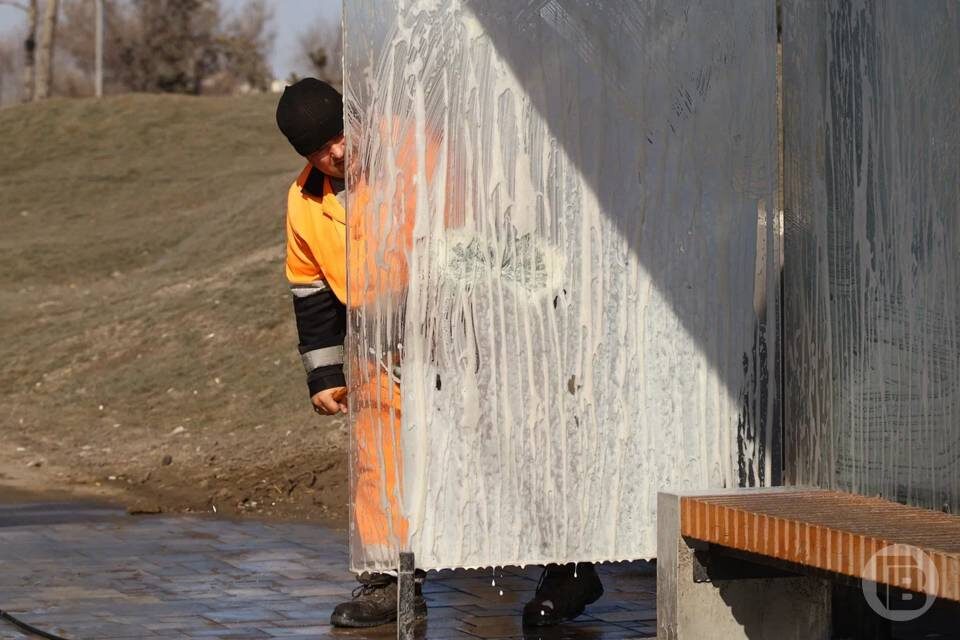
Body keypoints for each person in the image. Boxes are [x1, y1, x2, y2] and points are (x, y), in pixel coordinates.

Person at [275, 77, 604, 630]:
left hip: (467, 328)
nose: (335, 153)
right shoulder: (303, 202)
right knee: (379, 460)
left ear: (354, 120)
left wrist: (440, 315)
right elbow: (309, 290)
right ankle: (387, 580)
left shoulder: (417, 149)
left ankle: (570, 567)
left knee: (510, 446)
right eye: (318, 149)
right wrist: (325, 374)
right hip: (381, 346)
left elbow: (470, 235)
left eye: (338, 136)